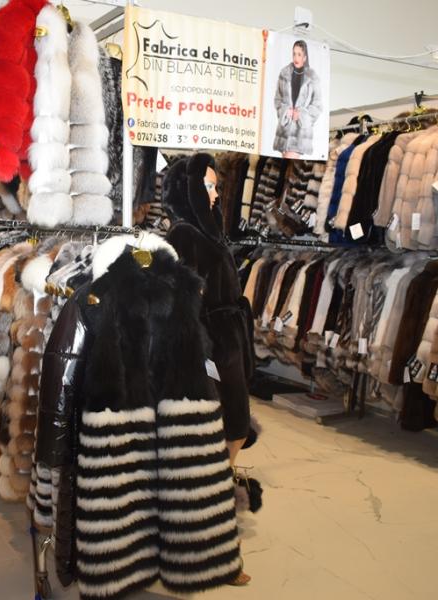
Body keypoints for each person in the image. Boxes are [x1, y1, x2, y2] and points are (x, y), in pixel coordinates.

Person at [163, 153, 256, 587]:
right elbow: (183, 307)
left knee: (234, 435)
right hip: (211, 355)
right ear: (188, 190)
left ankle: (210, 535)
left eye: (217, 185)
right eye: (208, 186)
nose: (216, 193)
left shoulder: (207, 230)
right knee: (213, 450)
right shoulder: (184, 234)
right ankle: (211, 548)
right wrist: (202, 359)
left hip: (227, 349)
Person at [273, 39, 322, 158]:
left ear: (305, 57)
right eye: (294, 53)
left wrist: (301, 115)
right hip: (283, 132)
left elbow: (318, 105)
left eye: (299, 54)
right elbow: (277, 99)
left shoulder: (312, 77)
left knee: (288, 165)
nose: (296, 57)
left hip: (299, 136)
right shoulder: (284, 73)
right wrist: (285, 111)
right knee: (282, 168)